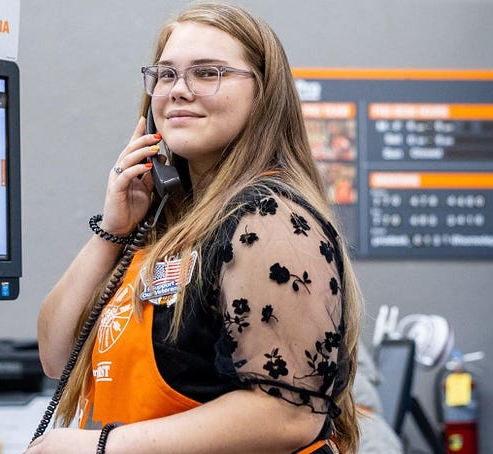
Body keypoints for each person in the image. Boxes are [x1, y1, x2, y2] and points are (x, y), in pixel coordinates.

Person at [31, 3, 362, 453]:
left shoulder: (270, 220)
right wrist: (112, 230)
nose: (178, 91)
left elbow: (288, 415)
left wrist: (102, 447)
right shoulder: (168, 224)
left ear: (262, 95)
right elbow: (56, 354)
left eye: (207, 73)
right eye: (166, 75)